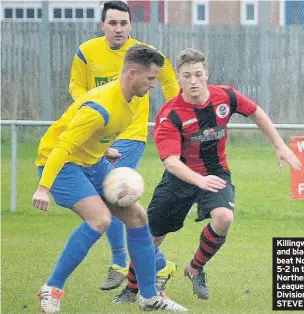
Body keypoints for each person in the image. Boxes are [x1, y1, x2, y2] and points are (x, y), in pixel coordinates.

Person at [113, 48, 303, 302]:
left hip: (216, 172)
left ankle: (194, 269)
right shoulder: (170, 114)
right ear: (178, 79)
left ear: (206, 74)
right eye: (187, 75)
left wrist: (280, 146)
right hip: (179, 179)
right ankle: (132, 288)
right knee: (153, 236)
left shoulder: (224, 97)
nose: (193, 81)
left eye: (198, 74)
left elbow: (256, 111)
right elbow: (170, 162)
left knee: (224, 217)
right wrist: (198, 180)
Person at [32, 45, 187, 313]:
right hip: (60, 165)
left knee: (138, 218)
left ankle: (149, 298)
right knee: (100, 219)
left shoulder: (129, 103)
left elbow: (91, 136)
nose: (154, 85)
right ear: (131, 73)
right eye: (151, 79)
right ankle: (51, 289)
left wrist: (104, 150)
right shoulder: (99, 107)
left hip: (91, 162)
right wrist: (43, 188)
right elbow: (63, 145)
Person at [69, 0, 179, 291]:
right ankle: (160, 265)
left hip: (130, 134)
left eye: (123, 23)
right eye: (112, 23)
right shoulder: (86, 51)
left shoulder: (145, 55)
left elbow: (170, 84)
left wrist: (172, 117)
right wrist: (88, 108)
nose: (118, 28)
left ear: (131, 26)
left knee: (112, 196)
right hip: (98, 134)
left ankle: (120, 262)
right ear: (101, 25)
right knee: (111, 200)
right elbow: (76, 87)